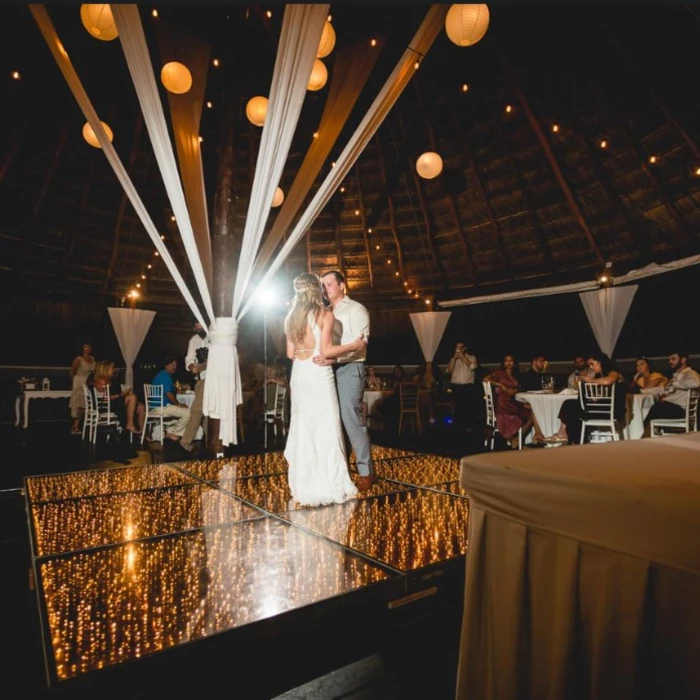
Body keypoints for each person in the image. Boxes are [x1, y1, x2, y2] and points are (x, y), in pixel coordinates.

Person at [284, 273, 366, 506]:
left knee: (304, 426)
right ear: (316, 290)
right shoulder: (324, 314)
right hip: (318, 374)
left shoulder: (290, 318)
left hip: (300, 374)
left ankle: (305, 483)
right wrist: (354, 345)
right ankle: (329, 482)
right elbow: (326, 351)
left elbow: (290, 354)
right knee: (326, 425)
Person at [316, 270, 376, 491]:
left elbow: (360, 347)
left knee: (351, 418)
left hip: (350, 368)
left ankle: (366, 472)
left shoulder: (356, 309)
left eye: (329, 284)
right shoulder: (325, 311)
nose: (325, 289)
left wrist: (333, 358)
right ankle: (341, 467)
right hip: (329, 370)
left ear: (342, 285)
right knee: (334, 420)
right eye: (323, 285)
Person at [484, 354, 537, 449]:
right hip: (503, 403)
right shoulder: (498, 373)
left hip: (513, 400)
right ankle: (513, 440)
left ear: (514, 363)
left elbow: (518, 387)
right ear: (503, 363)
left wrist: (515, 390)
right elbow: (485, 379)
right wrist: (500, 385)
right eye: (506, 360)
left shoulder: (515, 375)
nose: (508, 362)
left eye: (511, 360)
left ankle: (517, 438)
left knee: (534, 409)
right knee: (521, 414)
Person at [644, 350, 700, 427]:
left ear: (683, 359)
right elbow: (661, 389)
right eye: (669, 359)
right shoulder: (676, 376)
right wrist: (642, 391)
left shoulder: (690, 373)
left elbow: (696, 383)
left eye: (673, 359)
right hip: (671, 407)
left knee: (653, 408)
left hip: (680, 410)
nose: (670, 362)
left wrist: (674, 383)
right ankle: (642, 433)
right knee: (648, 406)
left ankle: (640, 434)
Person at [88, 360, 145, 435]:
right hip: (108, 405)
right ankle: (130, 424)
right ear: (107, 370)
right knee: (132, 397)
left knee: (141, 406)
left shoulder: (111, 380)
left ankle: (142, 433)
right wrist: (121, 395)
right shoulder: (101, 381)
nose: (114, 370)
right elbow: (105, 398)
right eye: (112, 368)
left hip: (116, 403)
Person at [180, 322, 208, 453]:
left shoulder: (213, 337)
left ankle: (188, 440)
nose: (200, 331)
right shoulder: (193, 340)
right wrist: (192, 367)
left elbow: (217, 358)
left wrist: (203, 365)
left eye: (201, 328)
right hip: (200, 379)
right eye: (197, 329)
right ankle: (187, 440)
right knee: (199, 410)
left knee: (204, 411)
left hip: (213, 378)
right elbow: (189, 358)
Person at [150, 357, 191, 441]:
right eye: (173, 365)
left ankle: (169, 431)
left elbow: (170, 391)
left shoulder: (161, 375)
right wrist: (178, 404)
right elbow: (169, 394)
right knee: (189, 413)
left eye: (175, 365)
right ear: (166, 365)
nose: (175, 367)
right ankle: (175, 433)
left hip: (156, 407)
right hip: (161, 408)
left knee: (180, 415)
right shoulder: (165, 375)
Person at [447, 342, 478, 429]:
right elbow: (449, 371)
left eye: (460, 348)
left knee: (468, 407)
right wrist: (454, 359)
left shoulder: (472, 357)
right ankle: (458, 427)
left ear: (465, 348)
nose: (458, 350)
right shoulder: (453, 359)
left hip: (468, 386)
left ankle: (469, 426)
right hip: (456, 386)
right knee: (457, 407)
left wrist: (462, 357)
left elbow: (472, 367)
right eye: (457, 348)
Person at [69, 341, 96, 435]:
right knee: (81, 404)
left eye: (89, 347)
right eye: (85, 347)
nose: (87, 349)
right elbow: (72, 372)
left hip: (89, 382)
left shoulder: (92, 358)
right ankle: (75, 425)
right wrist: (73, 384)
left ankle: (83, 425)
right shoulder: (78, 359)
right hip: (79, 381)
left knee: (89, 404)